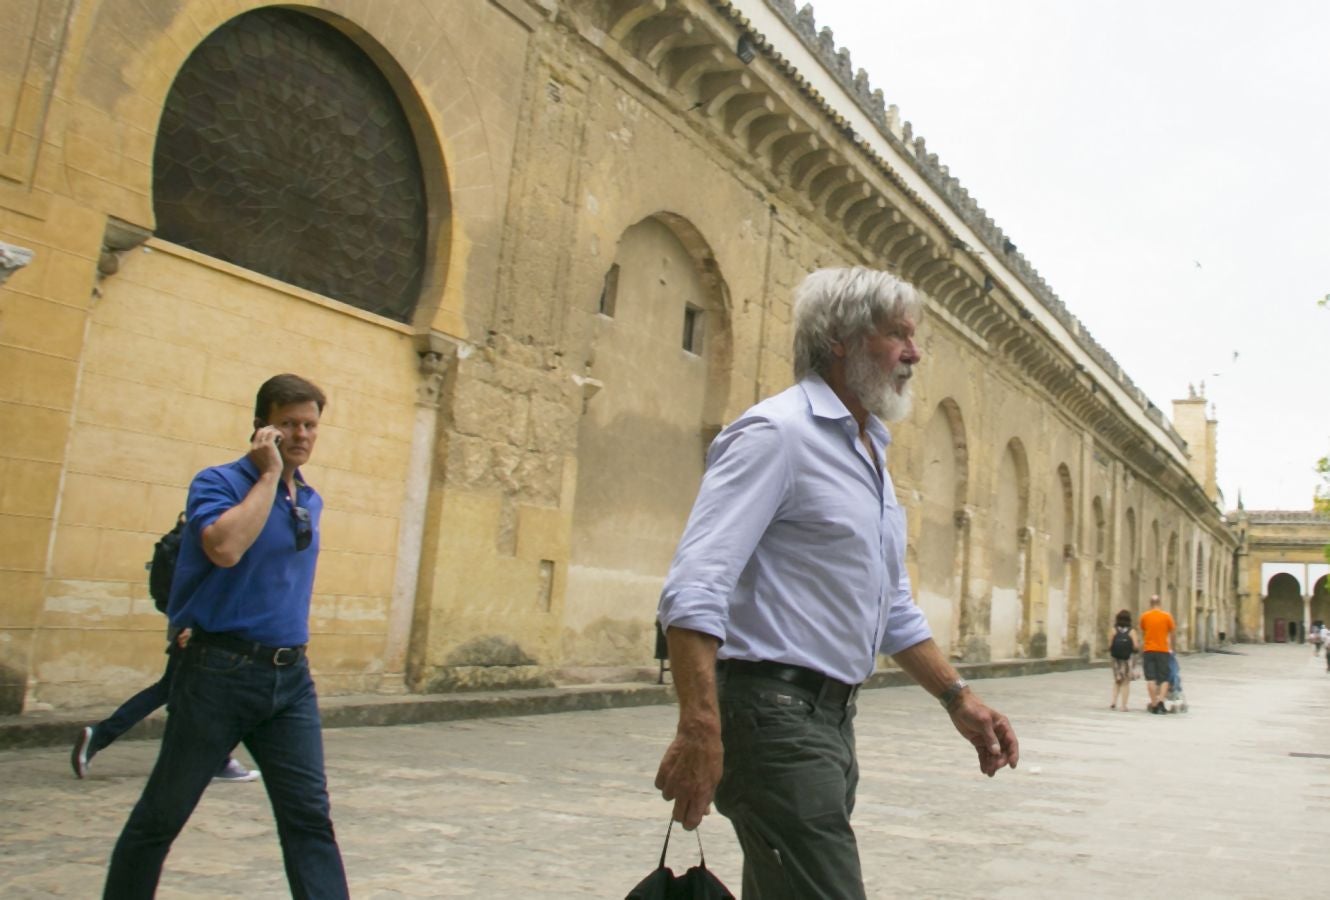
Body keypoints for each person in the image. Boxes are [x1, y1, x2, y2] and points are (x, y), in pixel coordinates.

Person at [654, 267, 1019, 900]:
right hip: (772, 720)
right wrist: (699, 728)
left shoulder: (868, 450)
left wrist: (958, 697)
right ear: (842, 340)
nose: (915, 352)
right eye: (898, 335)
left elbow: (891, 608)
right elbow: (695, 586)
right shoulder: (778, 435)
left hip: (831, 722)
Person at [103, 374, 349, 898]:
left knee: (309, 816)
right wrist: (267, 477)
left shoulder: (310, 499)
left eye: (310, 425)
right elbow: (225, 548)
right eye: (288, 423)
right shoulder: (217, 482)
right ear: (263, 427)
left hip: (290, 680)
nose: (302, 434)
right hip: (218, 673)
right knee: (162, 815)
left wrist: (283, 482)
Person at [71, 626, 257, 783]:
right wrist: (191, 623)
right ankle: (219, 762)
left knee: (169, 690)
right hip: (203, 638)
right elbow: (167, 586)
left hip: (208, 636)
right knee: (220, 695)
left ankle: (218, 760)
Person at [1138, 594, 1176, 714]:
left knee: (1151, 678)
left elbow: (1143, 631)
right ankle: (1161, 701)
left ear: (1150, 604)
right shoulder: (1167, 616)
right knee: (1164, 678)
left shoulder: (1145, 616)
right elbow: (1172, 633)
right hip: (1163, 650)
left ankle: (1154, 703)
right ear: (1160, 603)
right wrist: (1172, 648)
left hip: (1149, 650)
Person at [1108, 609, 1139, 711]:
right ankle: (1123, 706)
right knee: (1125, 682)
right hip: (1127, 659)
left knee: (1117, 680)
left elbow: (1110, 645)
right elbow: (1136, 646)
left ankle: (1113, 702)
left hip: (1115, 658)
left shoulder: (1113, 630)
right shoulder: (1132, 631)